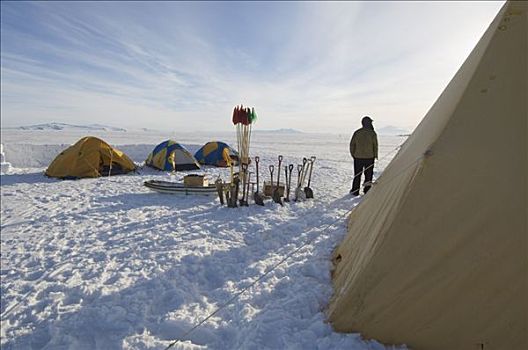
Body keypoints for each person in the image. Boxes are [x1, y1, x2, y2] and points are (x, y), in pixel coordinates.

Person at [349, 116, 378, 196]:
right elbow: (375, 145)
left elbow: (352, 145)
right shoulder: (372, 133)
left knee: (357, 175)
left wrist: (354, 154)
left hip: (358, 157)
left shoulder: (357, 132)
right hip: (369, 157)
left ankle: (355, 191)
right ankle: (367, 190)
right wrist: (375, 155)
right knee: (368, 175)